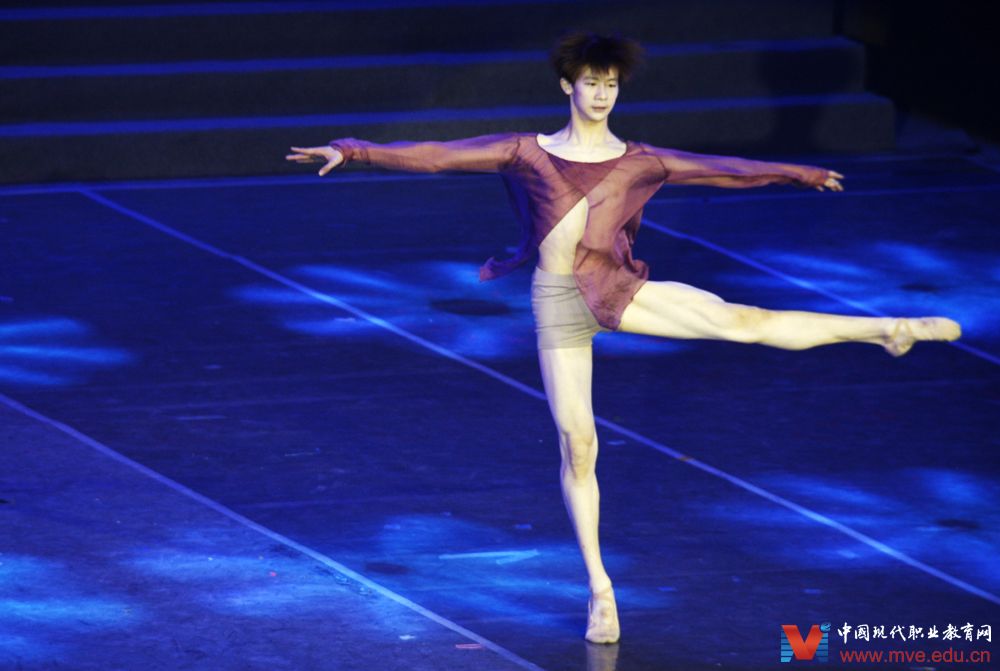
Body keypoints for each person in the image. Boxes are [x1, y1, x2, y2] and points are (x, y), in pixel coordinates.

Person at [286, 31, 961, 645]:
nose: (602, 93)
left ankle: (888, 329)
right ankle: (600, 588)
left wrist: (798, 172)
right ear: (567, 86)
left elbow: (721, 168)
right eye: (591, 82)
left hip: (619, 288)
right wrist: (355, 150)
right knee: (579, 444)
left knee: (745, 321)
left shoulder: (640, 161)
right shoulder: (527, 152)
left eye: (611, 83)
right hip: (558, 303)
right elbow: (438, 156)